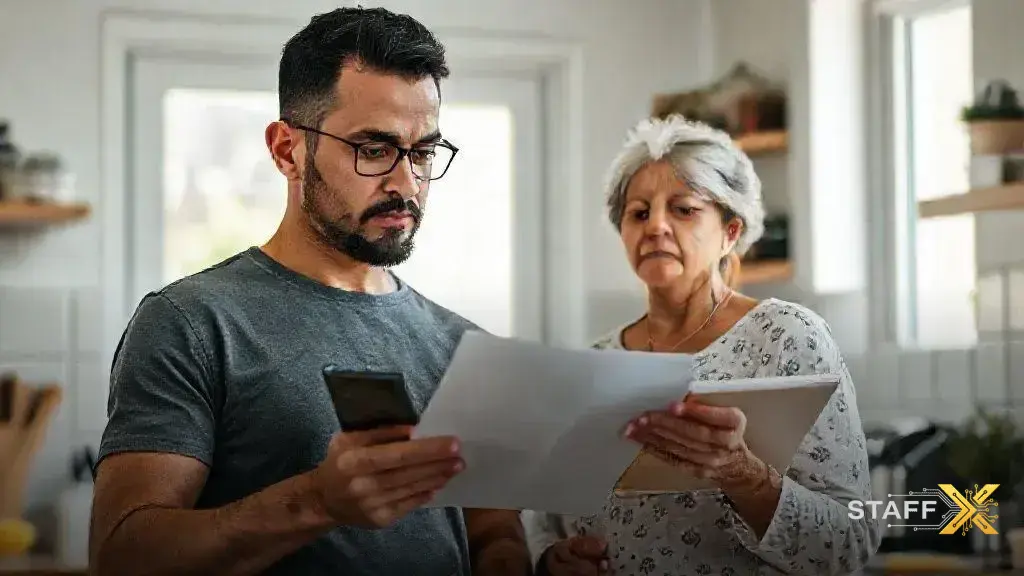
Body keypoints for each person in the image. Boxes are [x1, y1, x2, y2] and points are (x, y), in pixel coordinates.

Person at [88, 8, 532, 576]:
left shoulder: (465, 344)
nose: (406, 183)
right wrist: (318, 502)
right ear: (286, 150)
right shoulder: (190, 323)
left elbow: (494, 532)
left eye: (422, 153)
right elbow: (121, 557)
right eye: (374, 150)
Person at [524, 115, 881, 575]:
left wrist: (742, 474)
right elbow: (544, 520)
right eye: (638, 212)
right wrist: (551, 560)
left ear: (730, 231)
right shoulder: (591, 366)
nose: (655, 226)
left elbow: (850, 541)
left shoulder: (788, 337)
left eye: (684, 209)